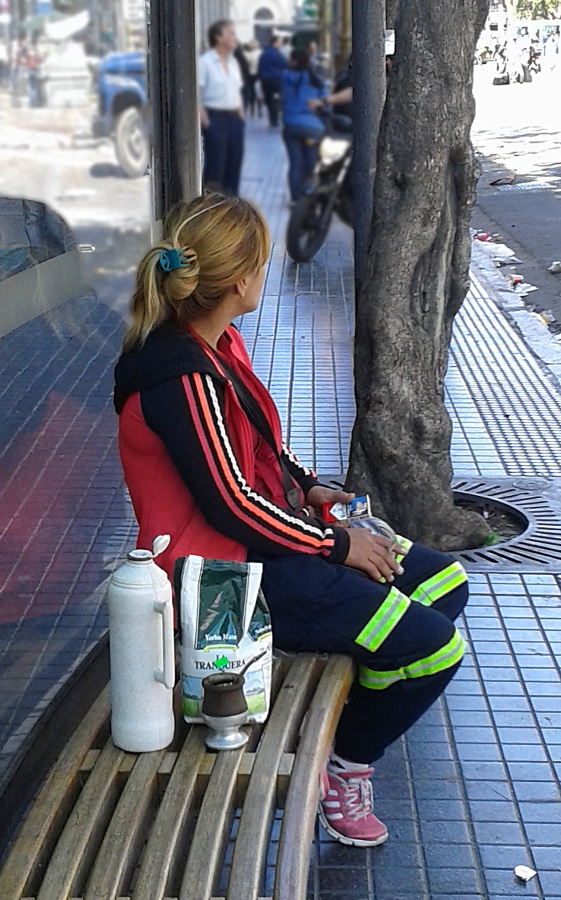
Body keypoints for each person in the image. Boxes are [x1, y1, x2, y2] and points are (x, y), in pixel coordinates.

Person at [114, 192, 469, 848]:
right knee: (435, 646)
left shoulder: (215, 345)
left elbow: (257, 449)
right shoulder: (179, 377)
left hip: (269, 545)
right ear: (241, 279)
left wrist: (308, 489)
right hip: (223, 584)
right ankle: (345, 767)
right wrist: (336, 545)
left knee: (444, 584)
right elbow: (230, 504)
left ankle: (348, 718)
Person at [198, 20, 244, 195]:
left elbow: (237, 91)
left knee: (234, 167)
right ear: (218, 37)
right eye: (230, 33)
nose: (234, 37)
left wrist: (240, 116)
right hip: (216, 118)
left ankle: (233, 213)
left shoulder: (233, 63)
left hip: (234, 120)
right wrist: (206, 121)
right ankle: (211, 213)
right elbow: (196, 94)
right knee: (215, 169)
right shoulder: (205, 62)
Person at [281, 48, 327, 203]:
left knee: (295, 164)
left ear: (294, 61)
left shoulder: (285, 77)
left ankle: (295, 199)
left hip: (290, 125)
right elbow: (325, 104)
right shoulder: (316, 79)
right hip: (313, 128)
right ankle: (308, 200)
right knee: (311, 164)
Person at [257, 34, 287, 127]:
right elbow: (285, 65)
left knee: (269, 99)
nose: (281, 44)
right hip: (276, 80)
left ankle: (271, 118)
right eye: (280, 42)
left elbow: (260, 67)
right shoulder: (277, 54)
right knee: (276, 99)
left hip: (265, 80)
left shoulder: (263, 54)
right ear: (275, 43)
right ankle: (275, 118)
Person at [244, 39, 262, 117]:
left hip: (250, 75)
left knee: (251, 94)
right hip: (259, 75)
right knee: (259, 93)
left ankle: (252, 110)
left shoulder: (247, 54)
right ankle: (259, 109)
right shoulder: (261, 53)